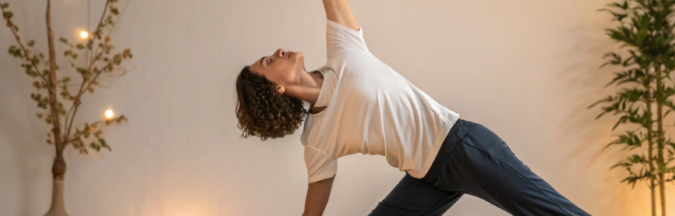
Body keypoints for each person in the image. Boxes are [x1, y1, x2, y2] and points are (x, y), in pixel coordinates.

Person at [234, 1, 590, 215]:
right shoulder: (317, 141)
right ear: (277, 90)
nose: (277, 51)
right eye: (268, 61)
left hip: (462, 147)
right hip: (426, 178)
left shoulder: (343, 50)